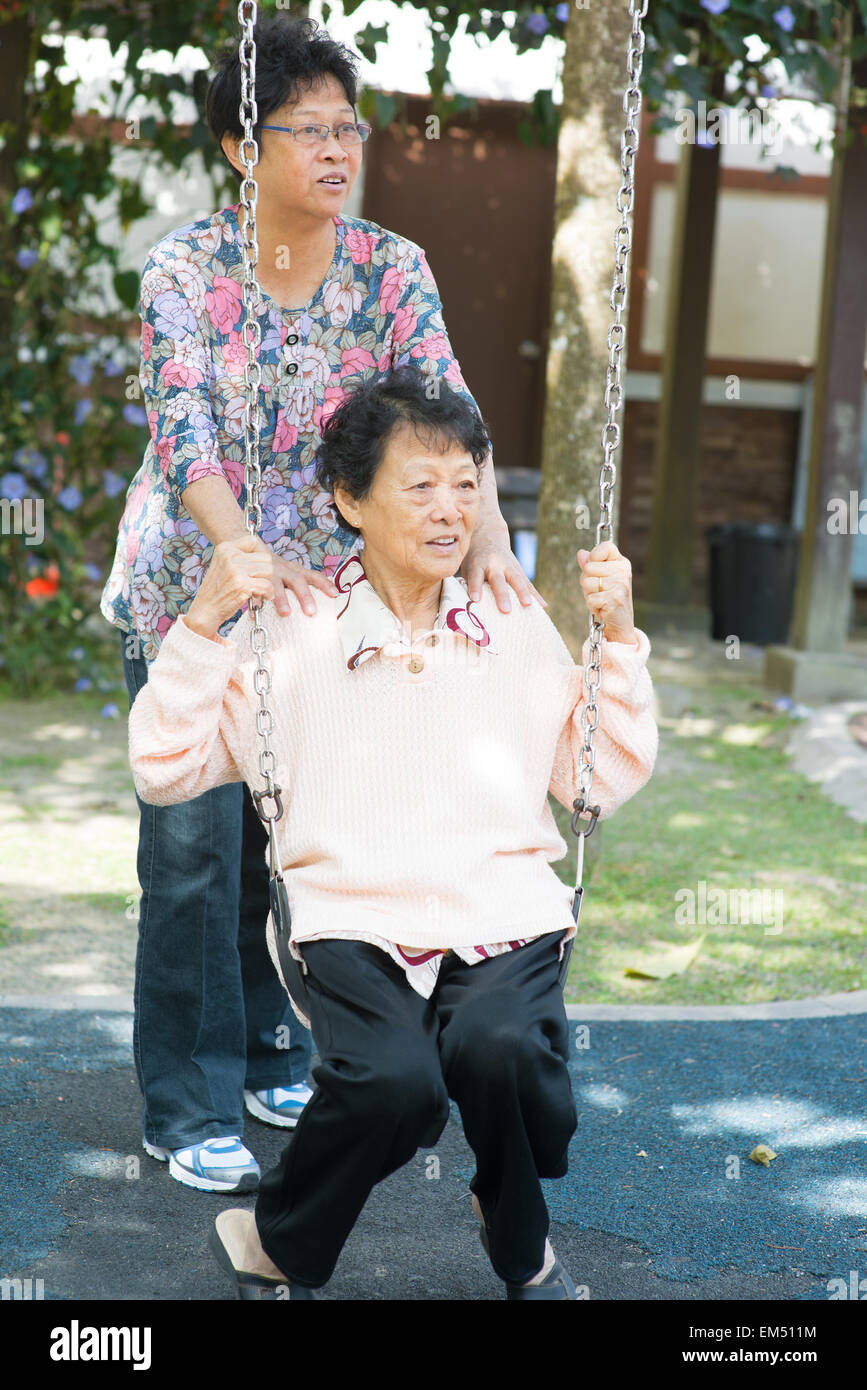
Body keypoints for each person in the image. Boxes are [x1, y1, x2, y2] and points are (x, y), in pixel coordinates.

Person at [103, 13, 542, 1191]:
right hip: (197, 592)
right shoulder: (187, 272)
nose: (340, 151)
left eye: (351, 128)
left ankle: (264, 1046)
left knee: (277, 838)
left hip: (318, 612)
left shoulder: (392, 269)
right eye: (310, 130)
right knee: (192, 847)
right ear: (246, 149)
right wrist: (238, 554)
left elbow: (450, 414)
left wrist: (489, 540)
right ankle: (181, 1099)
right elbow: (184, 429)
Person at [126, 364, 659, 1300]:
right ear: (348, 500)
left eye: (466, 485)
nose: (449, 510)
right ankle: (277, 1241)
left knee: (508, 1062)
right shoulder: (289, 631)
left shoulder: (511, 620)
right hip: (347, 909)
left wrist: (616, 639)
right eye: (420, 485)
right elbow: (166, 768)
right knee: (392, 1087)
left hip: (500, 904)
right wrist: (204, 623)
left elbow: (597, 778)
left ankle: (510, 1214)